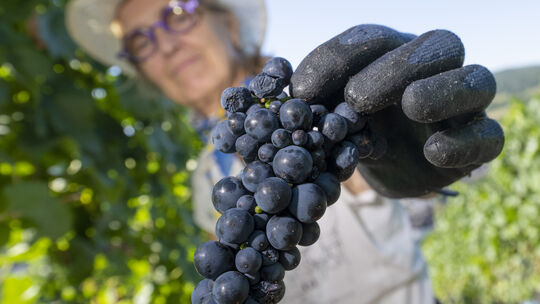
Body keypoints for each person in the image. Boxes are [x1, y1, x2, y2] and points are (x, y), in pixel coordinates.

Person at [66, 0, 503, 303]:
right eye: (141, 40)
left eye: (177, 13)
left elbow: (395, 188)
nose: (165, 43)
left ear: (230, 24)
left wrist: (423, 160)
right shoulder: (205, 176)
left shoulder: (318, 97)